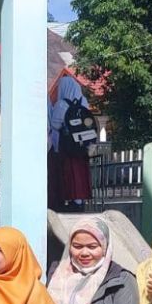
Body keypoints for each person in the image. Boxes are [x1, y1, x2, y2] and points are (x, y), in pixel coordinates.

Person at [47, 73, 93, 212]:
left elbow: (55, 124)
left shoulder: (62, 104)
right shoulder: (83, 101)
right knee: (81, 173)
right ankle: (80, 201)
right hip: (81, 145)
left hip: (67, 146)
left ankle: (71, 200)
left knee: (69, 173)